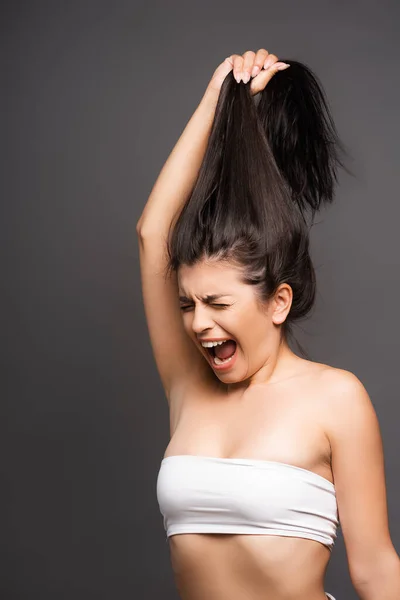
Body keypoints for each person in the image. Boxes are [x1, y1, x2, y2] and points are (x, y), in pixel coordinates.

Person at [137, 49, 400, 600]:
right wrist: (220, 98)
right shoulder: (188, 388)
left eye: (217, 303)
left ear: (278, 302)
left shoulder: (336, 398)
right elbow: (152, 232)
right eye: (186, 305)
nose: (199, 324)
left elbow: (376, 571)